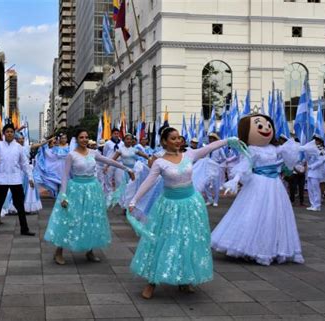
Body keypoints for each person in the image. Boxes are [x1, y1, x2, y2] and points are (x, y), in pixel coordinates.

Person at [128, 127, 237, 299]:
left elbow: (209, 148)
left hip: (191, 205)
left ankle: (184, 280)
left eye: (179, 138)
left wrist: (228, 140)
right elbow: (149, 182)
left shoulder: (189, 155)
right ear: (164, 141)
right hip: (169, 207)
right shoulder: (159, 162)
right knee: (162, 241)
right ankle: (152, 282)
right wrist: (134, 200)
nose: (178, 141)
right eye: (173, 138)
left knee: (188, 241)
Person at [212, 114, 304, 265]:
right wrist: (235, 180)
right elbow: (245, 165)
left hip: (275, 185)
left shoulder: (275, 148)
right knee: (253, 213)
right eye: (259, 126)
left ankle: (273, 247)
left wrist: (296, 160)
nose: (266, 128)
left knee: (275, 215)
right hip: (258, 184)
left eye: (268, 125)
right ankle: (249, 246)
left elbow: (289, 155)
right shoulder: (252, 149)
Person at [44, 129, 135, 265]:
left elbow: (109, 161)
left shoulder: (93, 153)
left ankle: (90, 250)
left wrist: (127, 169)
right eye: (81, 137)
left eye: (86, 137)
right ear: (76, 139)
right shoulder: (71, 155)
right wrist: (63, 195)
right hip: (75, 189)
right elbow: (64, 175)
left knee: (91, 219)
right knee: (70, 219)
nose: (85, 140)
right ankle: (59, 251)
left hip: (92, 189)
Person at [0, 123, 35, 238]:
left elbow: (24, 164)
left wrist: (30, 177)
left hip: (15, 179)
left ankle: (24, 229)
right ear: (4, 134)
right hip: (1, 179)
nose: (9, 133)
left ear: (14, 134)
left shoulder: (18, 147)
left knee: (20, 205)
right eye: (7, 132)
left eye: (11, 132)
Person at [204, 133, 226, 207]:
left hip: (215, 167)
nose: (211, 139)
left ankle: (216, 201)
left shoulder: (219, 148)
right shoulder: (207, 147)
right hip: (208, 167)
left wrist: (217, 162)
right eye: (210, 138)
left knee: (216, 185)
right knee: (206, 184)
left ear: (215, 139)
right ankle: (209, 199)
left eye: (212, 138)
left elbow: (224, 158)